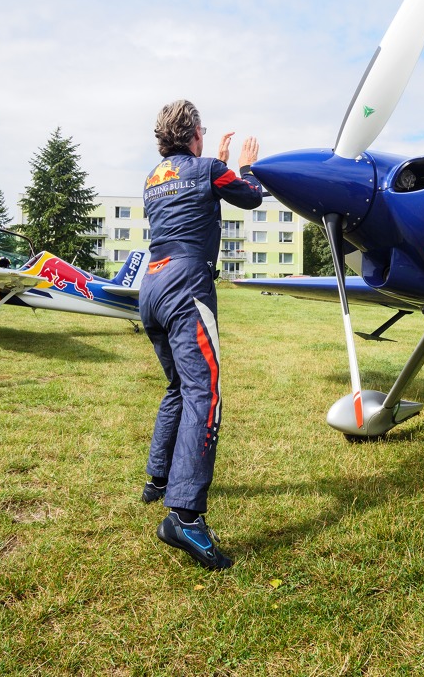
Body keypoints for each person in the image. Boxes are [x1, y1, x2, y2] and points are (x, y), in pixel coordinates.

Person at [139, 100, 263, 570]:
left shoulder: (153, 177)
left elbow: (191, 192)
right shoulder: (209, 167)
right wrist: (245, 166)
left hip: (150, 284)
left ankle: (157, 479)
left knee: (177, 387)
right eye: (202, 131)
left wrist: (220, 165)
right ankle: (185, 517)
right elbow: (249, 196)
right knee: (204, 394)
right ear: (194, 133)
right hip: (187, 284)